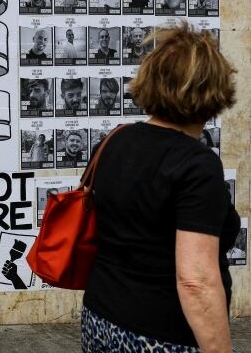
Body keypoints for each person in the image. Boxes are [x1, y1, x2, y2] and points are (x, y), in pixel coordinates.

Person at [82, 22, 238, 351]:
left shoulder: (113, 141)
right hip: (161, 335)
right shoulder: (197, 165)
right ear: (213, 88)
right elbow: (196, 281)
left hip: (100, 320)